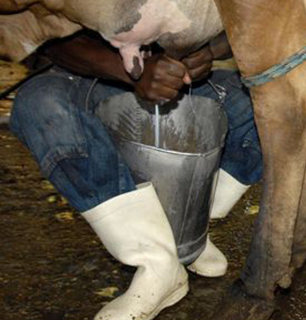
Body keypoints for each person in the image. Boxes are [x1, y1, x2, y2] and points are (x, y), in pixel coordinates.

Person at [10, 29, 263, 320]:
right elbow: (48, 38)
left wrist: (208, 51)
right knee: (40, 104)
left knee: (270, 106)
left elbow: (245, 19)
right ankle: (158, 262)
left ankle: (189, 234)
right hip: (92, 76)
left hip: (178, 78)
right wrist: (129, 71)